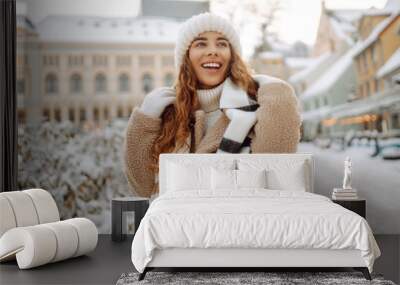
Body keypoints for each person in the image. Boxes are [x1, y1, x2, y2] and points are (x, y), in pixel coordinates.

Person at [123, 12, 301, 198]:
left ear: (232, 57)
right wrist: (145, 120)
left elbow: (274, 168)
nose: (212, 51)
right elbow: (142, 187)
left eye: (222, 44)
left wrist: (277, 92)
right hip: (178, 223)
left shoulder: (256, 106)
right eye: (201, 43)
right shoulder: (168, 114)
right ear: (186, 57)